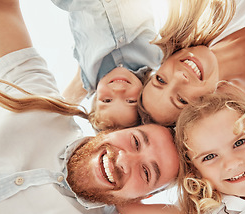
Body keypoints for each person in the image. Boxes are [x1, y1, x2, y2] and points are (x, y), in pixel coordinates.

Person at [0, 1, 179, 214]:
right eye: (134, 141)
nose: (123, 160)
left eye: (146, 173)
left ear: (143, 199)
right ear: (114, 130)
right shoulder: (37, 101)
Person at [51, 0, 162, 131]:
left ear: (95, 101)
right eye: (131, 101)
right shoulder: (155, 58)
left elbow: (56, 115)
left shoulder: (89, 77)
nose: (118, 90)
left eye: (107, 100)